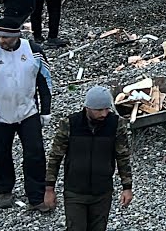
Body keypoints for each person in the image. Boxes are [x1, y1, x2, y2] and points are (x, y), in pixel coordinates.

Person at [0, 17, 53, 211]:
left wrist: (46, 110)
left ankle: (36, 196)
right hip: (0, 115)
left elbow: (45, 81)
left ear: (16, 35)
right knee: (1, 154)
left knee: (35, 154)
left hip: (28, 112)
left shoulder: (34, 51)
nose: (1, 40)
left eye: (5, 37)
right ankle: (4, 190)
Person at [43, 86, 133, 231]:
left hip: (102, 192)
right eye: (99, 110)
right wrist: (49, 189)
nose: (104, 114)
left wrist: (127, 187)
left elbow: (122, 156)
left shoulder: (116, 124)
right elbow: (55, 157)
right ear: (87, 107)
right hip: (75, 192)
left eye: (107, 109)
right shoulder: (70, 124)